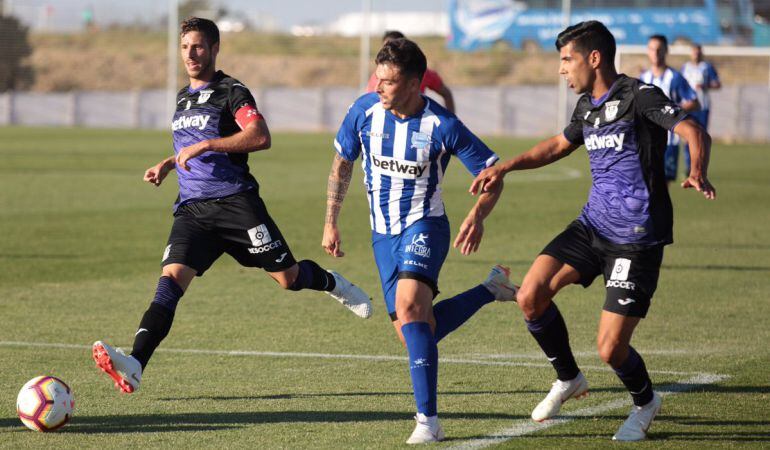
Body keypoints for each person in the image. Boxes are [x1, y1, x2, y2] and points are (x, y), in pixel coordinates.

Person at [91, 17, 373, 394]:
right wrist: (169, 163)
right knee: (170, 281)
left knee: (287, 279)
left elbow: (259, 136)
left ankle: (332, 282)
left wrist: (207, 145)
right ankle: (136, 363)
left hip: (236, 204)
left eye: (198, 46)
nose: (191, 54)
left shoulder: (231, 90)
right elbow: (191, 144)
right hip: (193, 210)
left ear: (214, 48)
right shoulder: (182, 97)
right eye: (185, 47)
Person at [470, 21, 716, 441]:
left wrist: (696, 171)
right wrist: (505, 166)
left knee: (610, 349)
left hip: (636, 240)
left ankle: (645, 403)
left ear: (594, 58)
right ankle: (568, 378)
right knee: (529, 295)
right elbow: (557, 146)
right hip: (591, 226)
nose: (562, 70)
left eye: (567, 60)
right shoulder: (586, 106)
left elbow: (693, 130)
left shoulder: (640, 96)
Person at [324, 38, 516, 444]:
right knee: (415, 330)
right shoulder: (363, 111)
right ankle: (490, 289)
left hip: (425, 226)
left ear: (414, 84)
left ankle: (428, 420)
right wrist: (331, 222)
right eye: (377, 79)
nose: (378, 87)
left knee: (411, 308)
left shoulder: (442, 125)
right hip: (382, 234)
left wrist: (477, 215)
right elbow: (342, 164)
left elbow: (493, 171)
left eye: (388, 82)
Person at [640, 35, 700, 182]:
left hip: (669, 141)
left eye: (659, 49)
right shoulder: (643, 78)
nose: (655, 53)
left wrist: (671, 112)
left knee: (662, 185)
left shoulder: (675, 77)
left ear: (666, 51)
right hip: (646, 141)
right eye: (652, 49)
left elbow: (695, 102)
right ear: (648, 51)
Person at [365, 31, 456, 114]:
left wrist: (451, 117)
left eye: (389, 83)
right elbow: (368, 102)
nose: (390, 52)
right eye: (386, 48)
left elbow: (446, 93)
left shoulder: (423, 73)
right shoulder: (378, 76)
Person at [681, 42, 720, 175]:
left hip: (703, 106)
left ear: (701, 53)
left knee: (701, 137)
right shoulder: (685, 68)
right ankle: (689, 167)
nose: (696, 54)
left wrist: (705, 85)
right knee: (688, 137)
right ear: (691, 53)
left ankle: (701, 168)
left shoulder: (707, 67)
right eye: (694, 52)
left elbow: (717, 84)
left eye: (698, 52)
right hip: (689, 107)